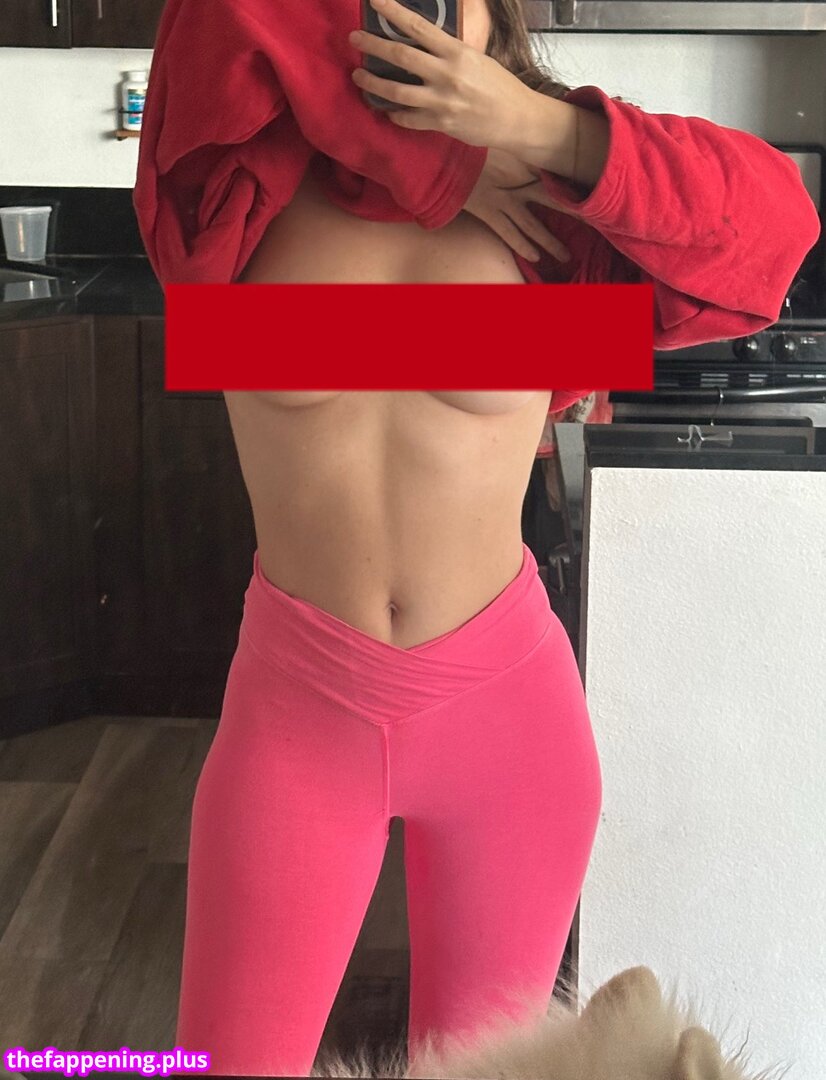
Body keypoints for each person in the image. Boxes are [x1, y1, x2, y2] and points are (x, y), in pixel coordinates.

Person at [133, 0, 820, 1074]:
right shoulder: (234, 184)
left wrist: (537, 131)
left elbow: (777, 238)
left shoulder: (558, 216)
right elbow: (225, 17)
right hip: (300, 714)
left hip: (509, 723)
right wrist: (443, 166)